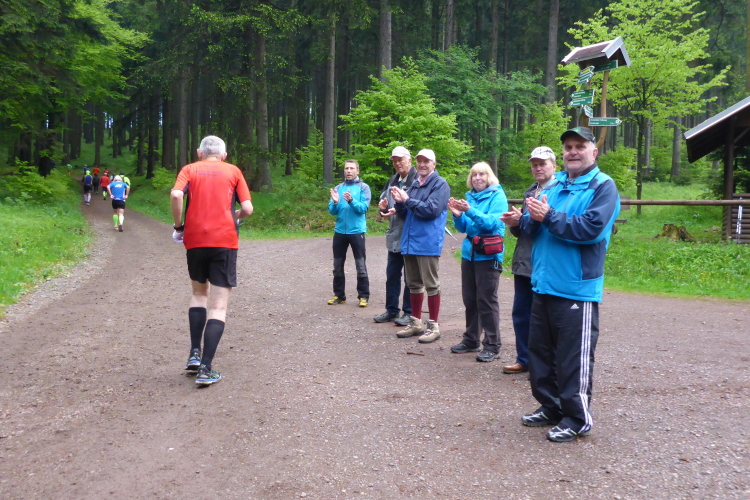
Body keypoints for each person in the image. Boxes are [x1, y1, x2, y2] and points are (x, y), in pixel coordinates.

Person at [516, 127, 620, 442]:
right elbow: (532, 226)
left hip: (577, 288)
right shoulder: (556, 183)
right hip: (543, 283)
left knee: (573, 358)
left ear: (594, 152)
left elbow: (590, 229)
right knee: (540, 354)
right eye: (568, 147)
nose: (573, 151)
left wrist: (547, 216)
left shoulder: (603, 186)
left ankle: (577, 418)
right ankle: (551, 407)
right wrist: (519, 221)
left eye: (579, 146)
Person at [171, 135, 253, 386]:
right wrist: (235, 216)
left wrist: (179, 225)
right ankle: (206, 369)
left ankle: (194, 354)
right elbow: (248, 209)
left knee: (198, 295)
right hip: (224, 241)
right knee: (218, 307)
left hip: (195, 239)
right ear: (224, 155)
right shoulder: (233, 171)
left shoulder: (189, 169)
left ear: (199, 152)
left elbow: (176, 195)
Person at [500, 146, 558, 374]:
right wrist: (515, 223)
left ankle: (543, 364)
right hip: (523, 262)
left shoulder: (559, 191)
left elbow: (551, 226)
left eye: (542, 164)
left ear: (554, 166)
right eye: (534, 164)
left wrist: (523, 221)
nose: (538, 168)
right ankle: (524, 358)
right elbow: (524, 231)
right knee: (521, 314)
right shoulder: (531, 191)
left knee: (544, 317)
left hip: (544, 264)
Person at [448, 162, 508, 362]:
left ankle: (492, 345)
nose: (478, 178)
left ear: (489, 177)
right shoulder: (470, 197)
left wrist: (470, 210)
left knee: (487, 300)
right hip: (470, 254)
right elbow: (464, 227)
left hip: (488, 255)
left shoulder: (498, 196)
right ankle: (471, 339)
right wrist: (458, 215)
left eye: (482, 174)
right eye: (474, 175)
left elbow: (492, 223)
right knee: (470, 298)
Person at [391, 149, 450, 343]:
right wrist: (399, 203)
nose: (422, 164)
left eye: (427, 161)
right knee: (414, 283)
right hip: (410, 242)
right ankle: (415, 322)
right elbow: (405, 213)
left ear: (434, 164)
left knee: (431, 285)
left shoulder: (440, 184)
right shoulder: (415, 184)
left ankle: (433, 326)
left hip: (427, 242)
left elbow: (431, 210)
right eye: (420, 161)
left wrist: (407, 200)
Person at [372, 146, 417, 326]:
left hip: (411, 236)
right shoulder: (392, 180)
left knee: (410, 277)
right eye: (395, 161)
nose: (398, 163)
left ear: (409, 160)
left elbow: (419, 208)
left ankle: (409, 312)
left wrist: (398, 209)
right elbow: (384, 205)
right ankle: (391, 310)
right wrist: (383, 208)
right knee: (392, 275)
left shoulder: (417, 180)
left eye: (401, 160)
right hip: (394, 236)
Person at [327, 160, 371, 307]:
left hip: (357, 231)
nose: (349, 171)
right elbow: (332, 211)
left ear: (358, 171)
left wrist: (351, 201)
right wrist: (335, 202)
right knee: (337, 265)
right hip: (340, 231)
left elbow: (364, 208)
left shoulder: (363, 187)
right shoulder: (338, 188)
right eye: (346, 168)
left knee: (360, 264)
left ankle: (363, 296)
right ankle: (339, 295)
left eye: (352, 168)